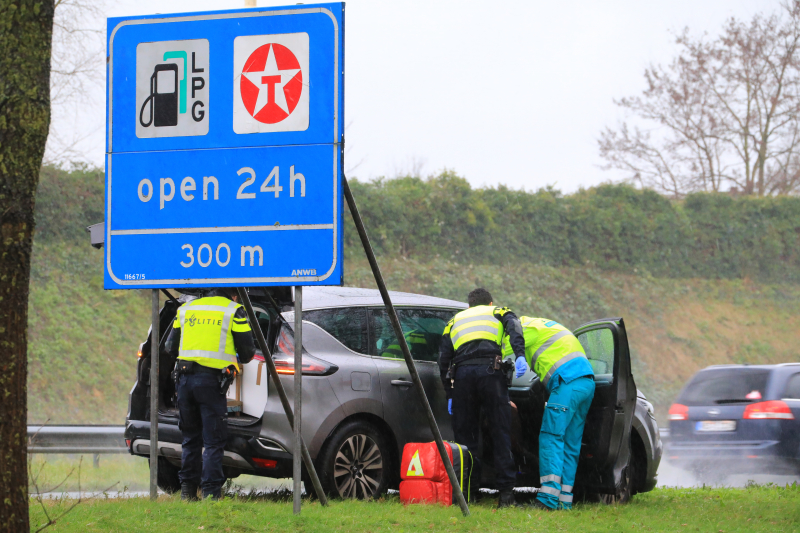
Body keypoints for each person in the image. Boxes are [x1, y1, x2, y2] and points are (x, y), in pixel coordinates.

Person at [438, 288, 528, 508]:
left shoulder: (454, 321)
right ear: (490, 303)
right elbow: (515, 327)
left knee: (465, 439)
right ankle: (506, 495)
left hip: (463, 377)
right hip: (491, 372)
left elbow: (442, 359)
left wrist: (449, 393)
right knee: (500, 432)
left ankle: (468, 494)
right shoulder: (498, 311)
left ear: (469, 306)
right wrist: (520, 355)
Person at [165, 287, 256, 501]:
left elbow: (170, 348)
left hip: (184, 381)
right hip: (211, 383)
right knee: (213, 441)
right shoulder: (234, 311)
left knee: (190, 437)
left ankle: (187, 492)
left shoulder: (185, 309)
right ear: (234, 294)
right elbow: (247, 353)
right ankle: (211, 494)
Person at [502, 316, 595, 511]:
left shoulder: (525, 329)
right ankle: (564, 500)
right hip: (586, 383)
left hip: (567, 382)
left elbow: (500, 349)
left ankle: (547, 499)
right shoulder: (543, 325)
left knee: (551, 437)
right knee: (570, 443)